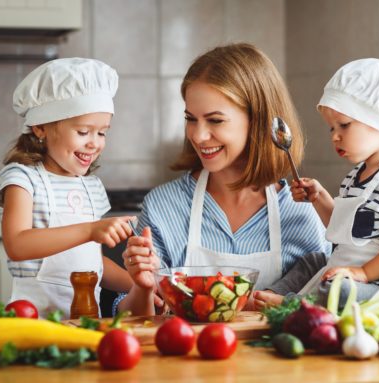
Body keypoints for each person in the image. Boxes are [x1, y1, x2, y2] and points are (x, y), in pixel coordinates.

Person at [114, 43, 331, 315]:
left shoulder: (303, 213)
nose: (198, 135)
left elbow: (323, 312)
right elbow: (132, 322)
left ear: (258, 120)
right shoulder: (163, 206)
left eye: (215, 120)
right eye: (191, 119)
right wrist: (143, 288)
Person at [254, 58, 379, 308]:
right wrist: (319, 198)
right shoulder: (355, 176)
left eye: (344, 126)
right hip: (347, 267)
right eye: (331, 129)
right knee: (313, 261)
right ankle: (270, 294)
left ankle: (288, 305)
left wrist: (364, 273)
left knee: (341, 289)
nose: (335, 136)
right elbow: (344, 229)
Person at [0, 58, 139, 318]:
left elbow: (94, 263)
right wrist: (90, 230)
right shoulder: (23, 179)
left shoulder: (91, 186)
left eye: (102, 133)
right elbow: (17, 245)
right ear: (41, 128)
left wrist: (142, 286)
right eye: (84, 132)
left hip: (85, 323)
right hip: (34, 322)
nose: (94, 144)